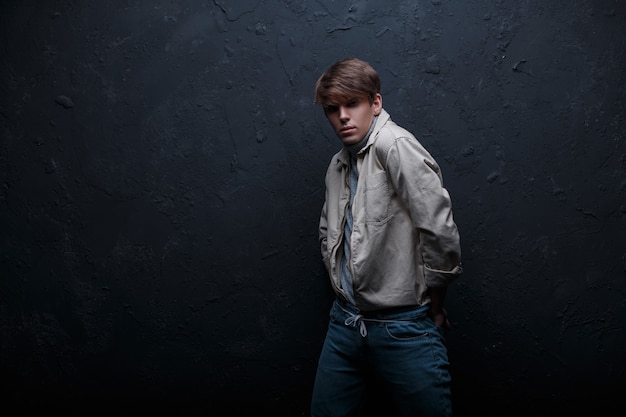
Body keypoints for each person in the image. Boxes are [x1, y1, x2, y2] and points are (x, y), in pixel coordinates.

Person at [310, 57, 463, 417]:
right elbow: (328, 232)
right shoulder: (338, 164)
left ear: (375, 103)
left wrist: (435, 304)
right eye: (333, 109)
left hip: (404, 327)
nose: (343, 116)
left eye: (353, 104)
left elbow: (438, 228)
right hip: (345, 323)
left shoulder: (395, 146)